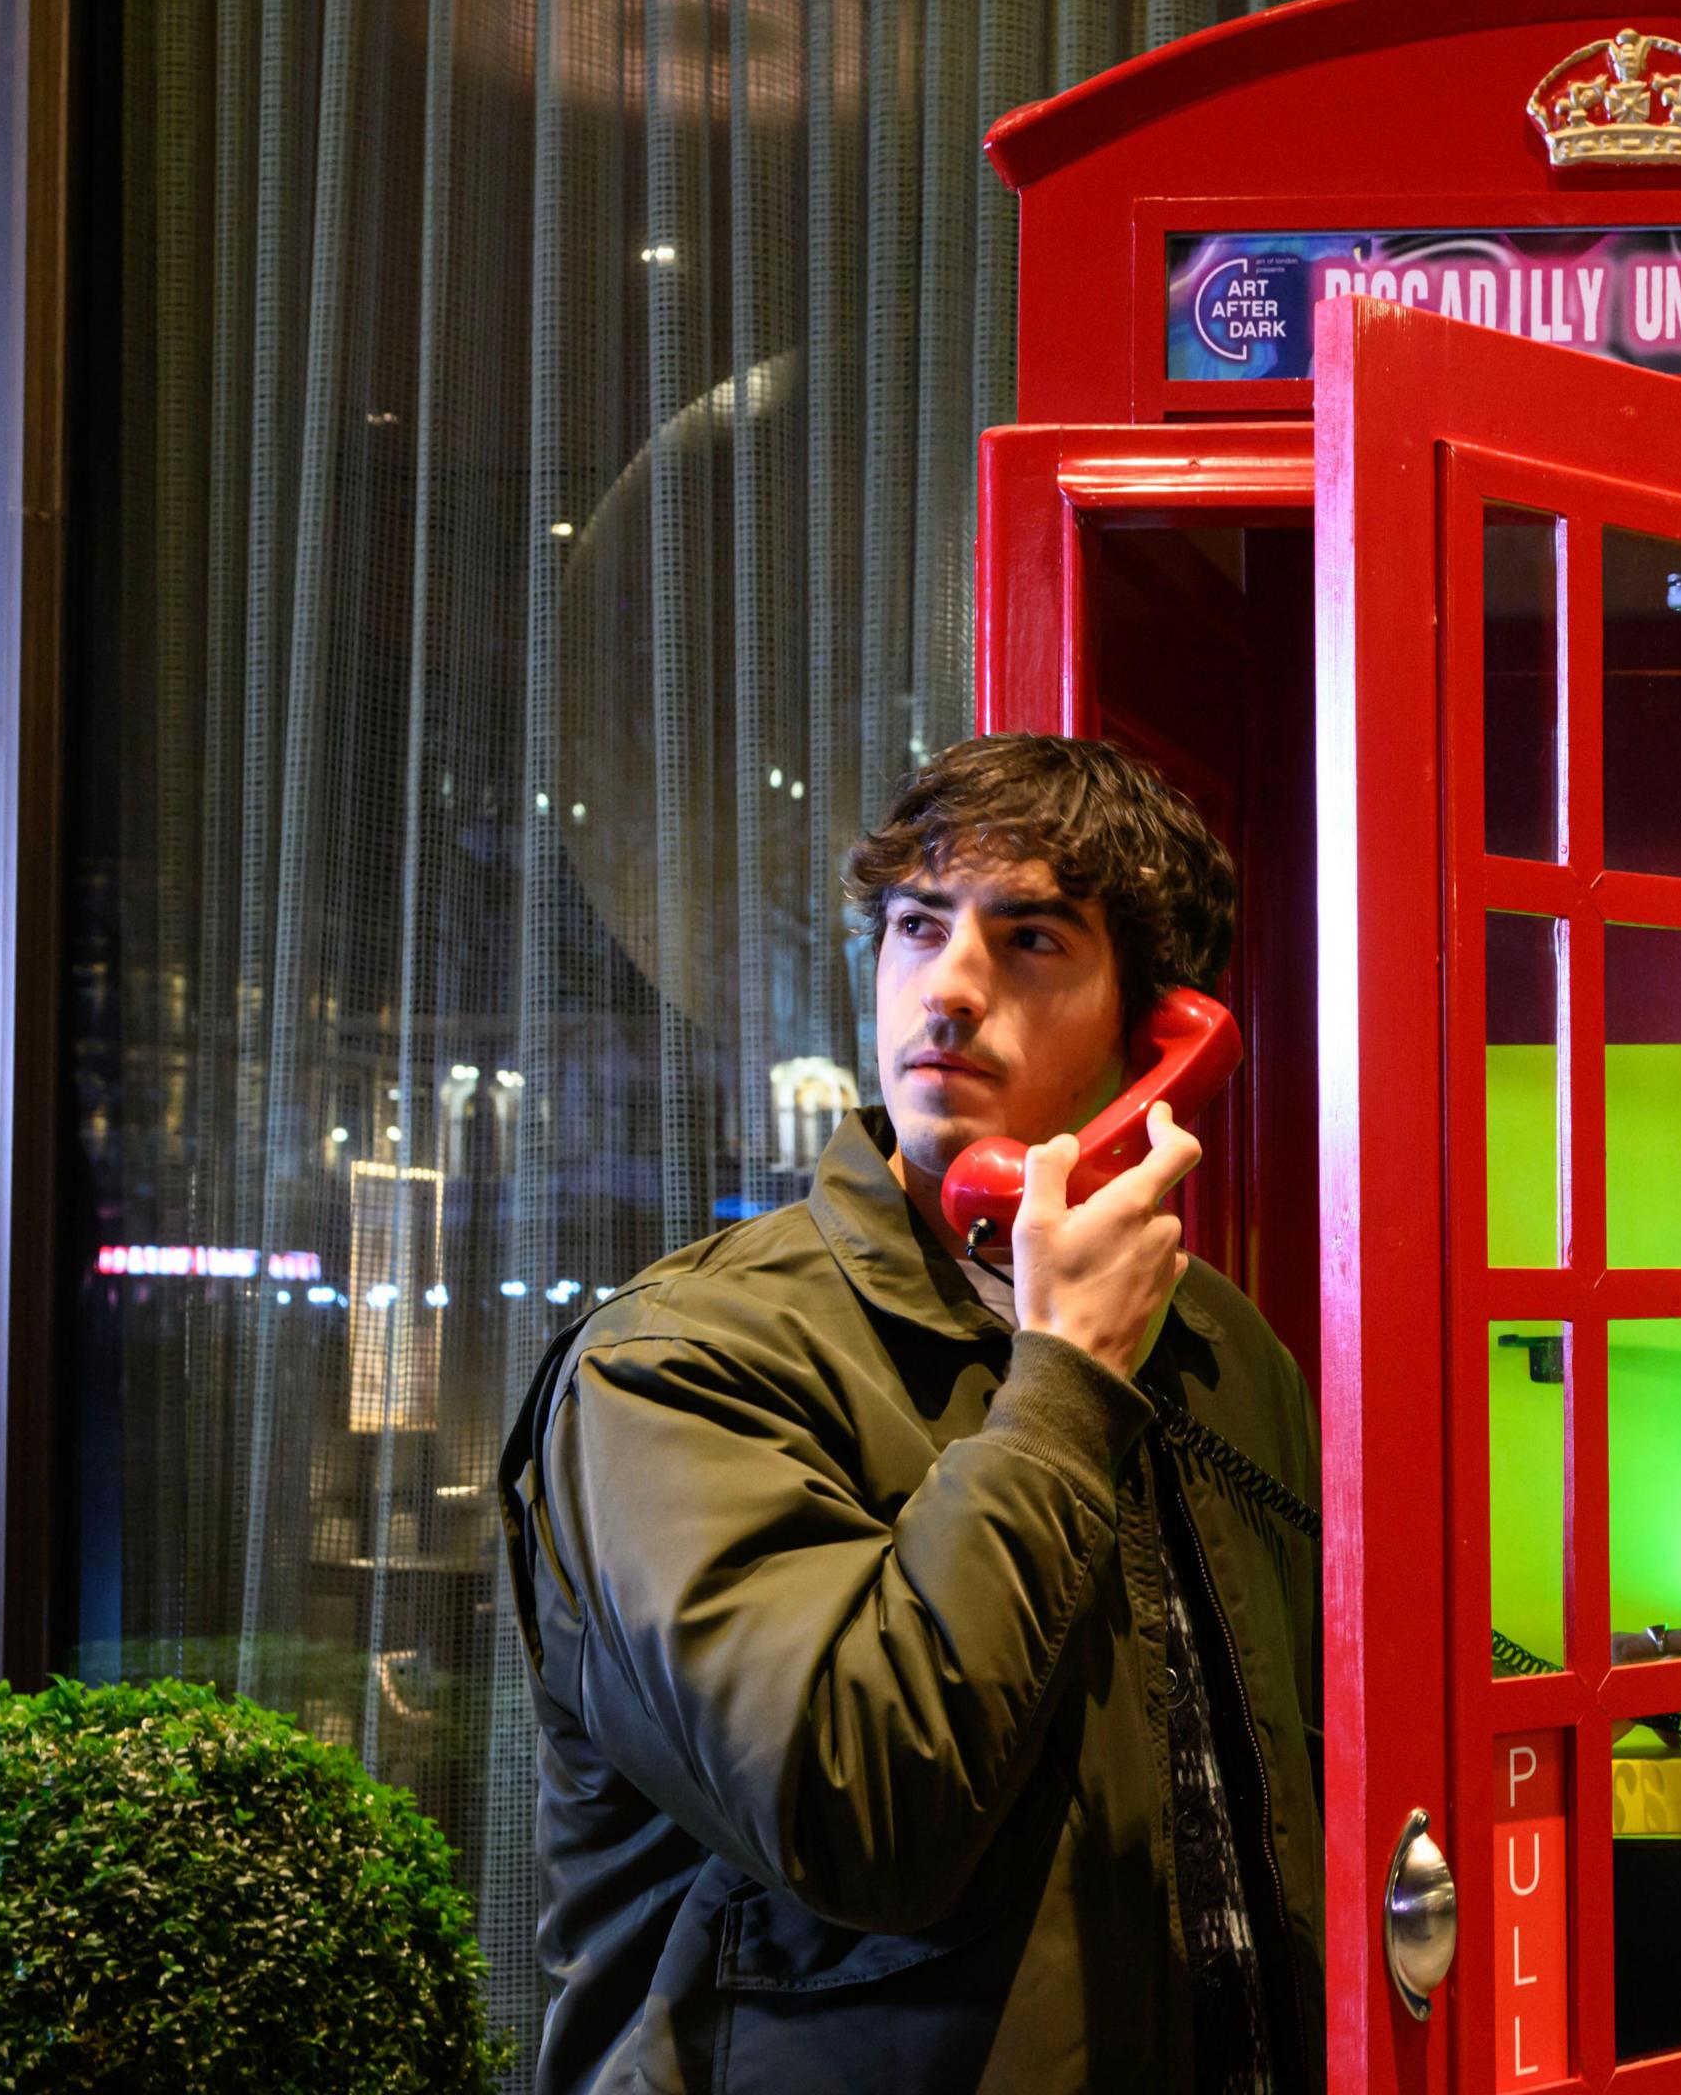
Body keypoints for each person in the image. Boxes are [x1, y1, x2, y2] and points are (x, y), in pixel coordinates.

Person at [502, 733, 1324, 2093]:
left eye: (1033, 940)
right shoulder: (678, 1360)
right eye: (915, 926)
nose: (947, 988)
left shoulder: (1222, 1349)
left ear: (1163, 1037)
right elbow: (856, 1808)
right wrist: (1059, 1389)